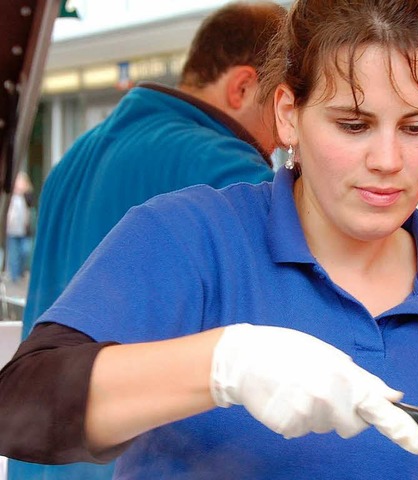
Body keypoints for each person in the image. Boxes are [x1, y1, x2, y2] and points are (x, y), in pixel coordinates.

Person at [0, 0, 418, 479]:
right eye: (353, 125)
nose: (387, 160)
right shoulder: (193, 238)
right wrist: (226, 364)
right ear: (289, 114)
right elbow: (20, 400)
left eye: (415, 127)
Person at [7, 2, 286, 480]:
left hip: (42, 454)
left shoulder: (75, 155)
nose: (281, 142)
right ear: (243, 87)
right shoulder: (230, 170)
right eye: (282, 110)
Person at [5, 172, 34, 284]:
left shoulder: (27, 196)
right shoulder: (10, 196)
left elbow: (31, 208)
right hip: (12, 230)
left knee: (25, 251)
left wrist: (23, 193)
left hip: (24, 231)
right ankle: (14, 277)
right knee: (13, 253)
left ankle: (21, 272)